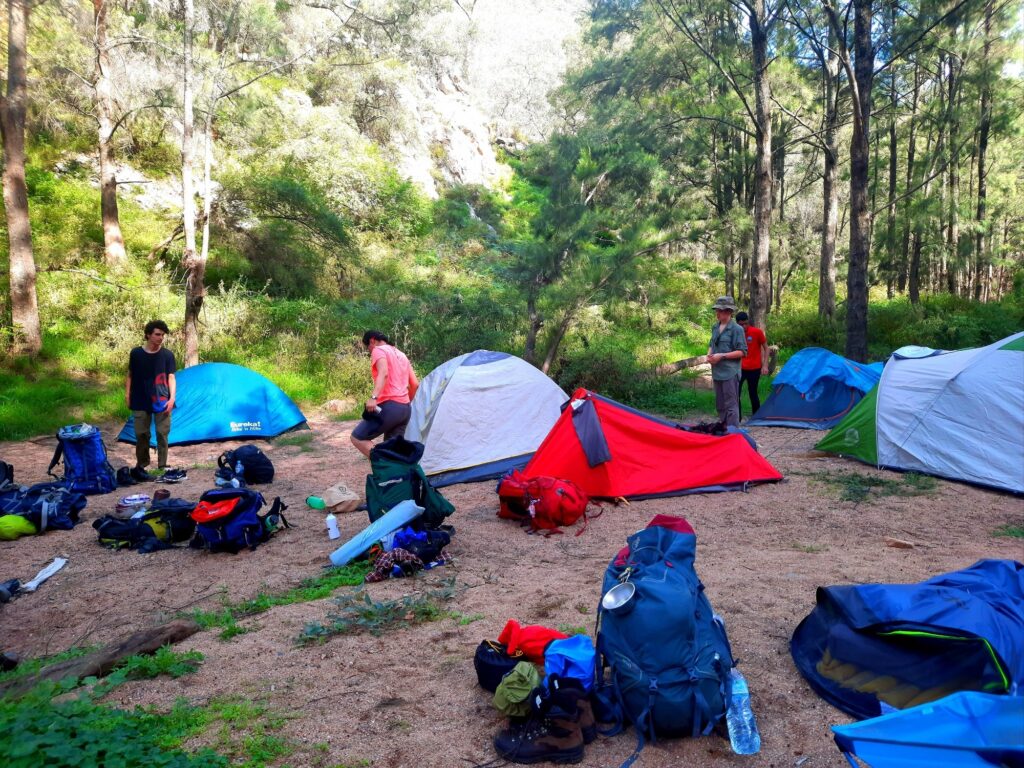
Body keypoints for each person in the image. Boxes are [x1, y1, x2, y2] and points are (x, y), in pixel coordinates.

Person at [350, 331, 419, 458]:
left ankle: (383, 462)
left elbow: (384, 373)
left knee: (357, 437)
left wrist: (373, 397)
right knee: (392, 449)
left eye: (368, 348)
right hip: (405, 409)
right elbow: (415, 384)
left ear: (372, 341)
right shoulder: (401, 354)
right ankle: (395, 476)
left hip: (390, 406)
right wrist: (405, 403)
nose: (370, 352)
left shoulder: (379, 350)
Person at [126, 320, 176, 480]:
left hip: (162, 399)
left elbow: (171, 377)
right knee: (141, 434)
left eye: (162, 335)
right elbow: (130, 375)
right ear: (148, 334)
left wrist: (172, 399)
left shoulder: (167, 355)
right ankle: (142, 465)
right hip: (140, 399)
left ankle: (163, 465)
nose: (160, 337)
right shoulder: (136, 353)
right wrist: (128, 395)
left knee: (162, 433)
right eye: (157, 334)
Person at [707, 296, 746, 428]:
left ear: (729, 311)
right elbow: (712, 344)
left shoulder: (737, 329)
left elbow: (742, 352)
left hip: (730, 372)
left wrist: (722, 356)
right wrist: (709, 355)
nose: (717, 313)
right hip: (717, 371)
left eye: (720, 310)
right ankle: (724, 430)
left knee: (731, 405)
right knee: (720, 404)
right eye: (716, 310)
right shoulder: (715, 327)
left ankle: (733, 433)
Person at [736, 311, 769, 419]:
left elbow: (766, 348)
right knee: (736, 394)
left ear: (748, 321)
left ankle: (756, 417)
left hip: (755, 368)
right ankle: (737, 418)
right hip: (739, 369)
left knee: (753, 393)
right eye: (741, 324)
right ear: (737, 324)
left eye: (745, 323)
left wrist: (765, 366)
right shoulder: (735, 333)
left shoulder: (757, 332)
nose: (744, 326)